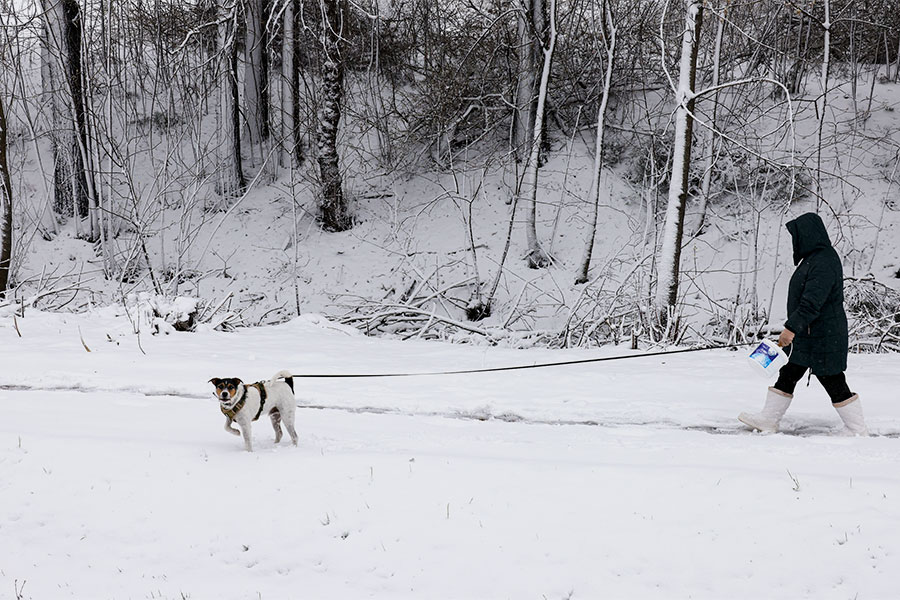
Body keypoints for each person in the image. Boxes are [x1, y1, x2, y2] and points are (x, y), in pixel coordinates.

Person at [738, 212, 868, 435]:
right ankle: (769, 419)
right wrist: (796, 329)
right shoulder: (815, 259)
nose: (794, 241)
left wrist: (790, 329)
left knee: (832, 378)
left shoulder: (823, 261)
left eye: (796, 236)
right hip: (809, 335)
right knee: (788, 373)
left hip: (822, 336)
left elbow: (811, 302)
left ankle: (857, 429)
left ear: (806, 235)